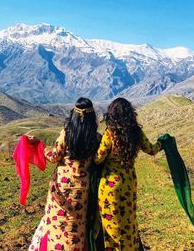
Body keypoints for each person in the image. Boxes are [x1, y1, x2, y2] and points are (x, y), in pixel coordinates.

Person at [28, 97, 99, 251]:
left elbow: (54, 157)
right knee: (77, 226)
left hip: (61, 187)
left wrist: (40, 145)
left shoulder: (66, 134)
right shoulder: (95, 137)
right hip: (82, 190)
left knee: (57, 224)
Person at [94, 97, 162, 251]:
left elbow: (98, 159)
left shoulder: (110, 134)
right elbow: (151, 150)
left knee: (112, 224)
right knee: (129, 221)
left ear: (112, 114)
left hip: (110, 187)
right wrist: (162, 143)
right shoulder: (136, 132)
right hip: (129, 183)